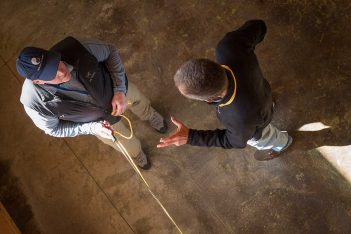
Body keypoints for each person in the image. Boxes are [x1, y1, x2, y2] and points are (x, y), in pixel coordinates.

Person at [16, 36, 168, 169]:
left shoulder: (78, 47)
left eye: (56, 62)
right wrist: (92, 127)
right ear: (37, 81)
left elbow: (111, 51)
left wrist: (120, 89)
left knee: (137, 100)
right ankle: (136, 153)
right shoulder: (34, 104)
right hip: (98, 122)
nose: (62, 71)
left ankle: (149, 114)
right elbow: (54, 129)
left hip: (116, 91)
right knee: (123, 142)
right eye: (52, 73)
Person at [157, 20, 292, 160]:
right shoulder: (228, 47)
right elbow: (259, 26)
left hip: (258, 121)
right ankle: (271, 109)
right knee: (265, 107)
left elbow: (234, 141)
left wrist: (191, 137)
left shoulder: (239, 118)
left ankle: (283, 143)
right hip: (263, 93)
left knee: (265, 137)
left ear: (209, 99)